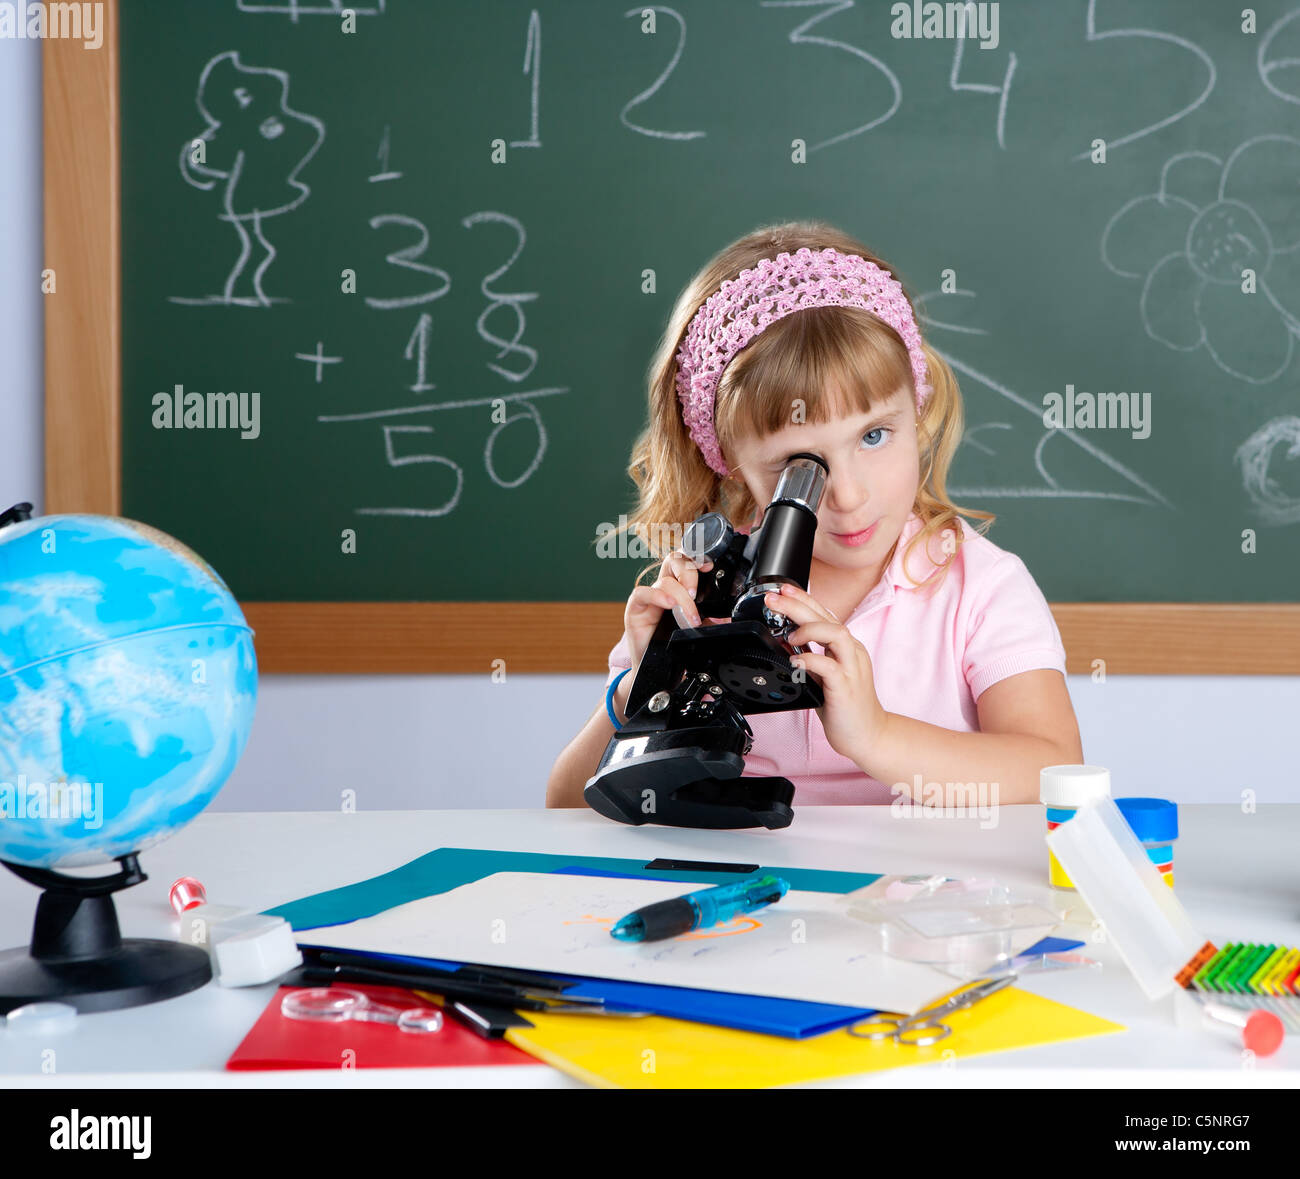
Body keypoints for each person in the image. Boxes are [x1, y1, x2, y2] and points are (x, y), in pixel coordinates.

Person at [546, 220, 1083, 811]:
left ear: (918, 409)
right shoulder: (707, 592)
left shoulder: (977, 588)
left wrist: (875, 735)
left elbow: (1051, 767)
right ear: (733, 466)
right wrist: (643, 690)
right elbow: (566, 806)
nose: (848, 495)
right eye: (801, 467)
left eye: (874, 435)